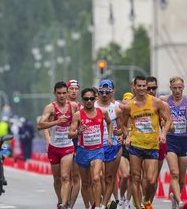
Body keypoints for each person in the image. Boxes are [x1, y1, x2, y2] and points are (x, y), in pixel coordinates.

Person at [120, 75, 172, 209]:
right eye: (140, 86)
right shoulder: (129, 106)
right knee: (136, 178)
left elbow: (168, 120)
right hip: (136, 146)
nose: (142, 88)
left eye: (145, 86)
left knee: (151, 180)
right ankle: (138, 206)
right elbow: (123, 124)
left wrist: (163, 134)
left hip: (152, 146)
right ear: (134, 87)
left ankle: (146, 200)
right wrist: (127, 136)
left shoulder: (156, 102)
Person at [159, 76, 187, 209]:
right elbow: (155, 112)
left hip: (184, 141)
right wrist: (162, 122)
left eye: (180, 88)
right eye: (174, 88)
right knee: (174, 173)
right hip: (170, 140)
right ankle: (180, 202)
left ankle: (174, 197)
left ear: (183, 88)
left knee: (182, 179)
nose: (177, 91)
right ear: (170, 88)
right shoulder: (164, 101)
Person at [68, 87, 113, 209]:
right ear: (82, 100)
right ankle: (88, 206)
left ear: (95, 98)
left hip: (97, 150)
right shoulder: (78, 115)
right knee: (86, 183)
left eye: (91, 98)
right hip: (83, 151)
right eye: (86, 99)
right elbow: (69, 134)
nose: (89, 101)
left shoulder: (102, 112)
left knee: (96, 178)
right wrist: (78, 131)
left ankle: (97, 206)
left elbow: (110, 122)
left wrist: (109, 137)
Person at [37, 81, 76, 209]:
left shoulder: (74, 106)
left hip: (68, 146)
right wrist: (56, 122)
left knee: (65, 176)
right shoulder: (50, 108)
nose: (62, 96)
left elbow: (84, 117)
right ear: (55, 94)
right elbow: (40, 125)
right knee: (57, 178)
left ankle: (64, 204)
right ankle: (60, 200)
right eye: (59, 93)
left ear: (68, 93)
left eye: (64, 93)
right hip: (54, 148)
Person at [95, 79, 122, 209]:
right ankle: (103, 199)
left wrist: (120, 133)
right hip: (95, 145)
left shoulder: (116, 109)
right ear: (98, 92)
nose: (104, 94)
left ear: (112, 92)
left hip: (112, 145)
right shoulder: (92, 106)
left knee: (109, 176)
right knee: (98, 175)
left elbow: (123, 129)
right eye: (101, 92)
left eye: (107, 92)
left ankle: (105, 204)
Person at [65, 79, 84, 209]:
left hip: (76, 143)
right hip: (63, 143)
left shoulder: (82, 106)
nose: (74, 91)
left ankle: (70, 205)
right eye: (71, 89)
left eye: (76, 89)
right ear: (66, 91)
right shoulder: (60, 106)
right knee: (65, 176)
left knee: (76, 176)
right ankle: (63, 201)